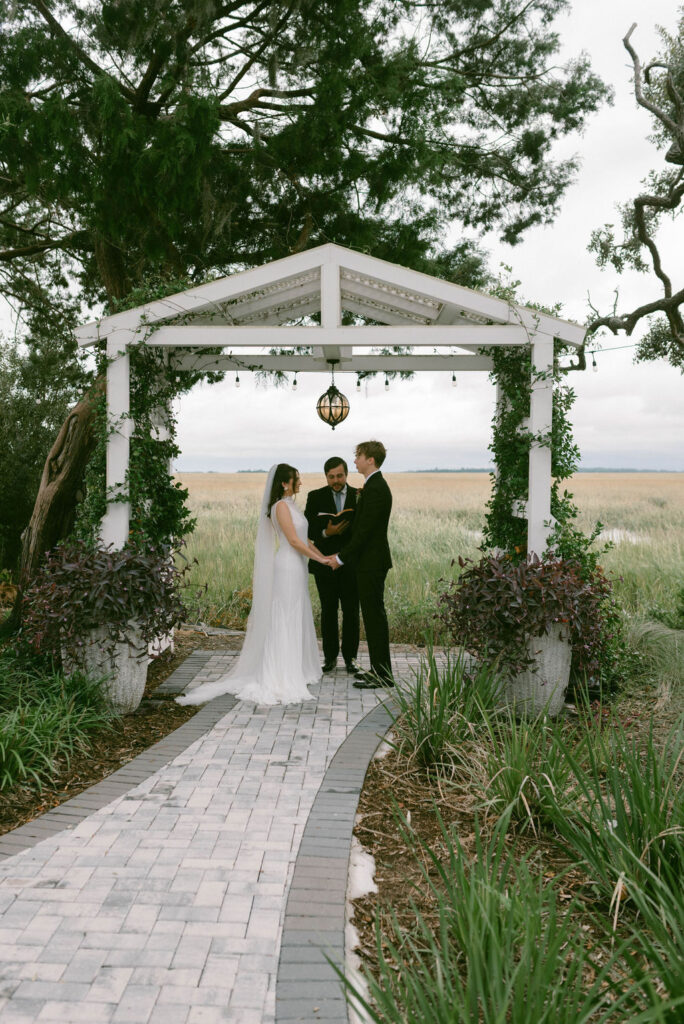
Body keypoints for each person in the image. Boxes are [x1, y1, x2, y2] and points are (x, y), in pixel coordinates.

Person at [176, 464, 330, 706]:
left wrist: (324, 556)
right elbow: (292, 540)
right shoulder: (280, 507)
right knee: (284, 615)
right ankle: (280, 673)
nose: (300, 482)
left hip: (298, 567)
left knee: (295, 613)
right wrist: (321, 560)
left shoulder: (293, 506)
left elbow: (306, 540)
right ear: (284, 483)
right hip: (288, 566)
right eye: (296, 479)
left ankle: (294, 667)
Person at [332, 440, 394, 689]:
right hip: (368, 562)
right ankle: (378, 669)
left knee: (374, 618)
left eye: (358, 456)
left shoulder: (377, 488)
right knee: (372, 617)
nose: (355, 460)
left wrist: (340, 557)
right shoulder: (371, 487)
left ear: (371, 459)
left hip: (372, 562)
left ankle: (383, 675)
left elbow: (365, 532)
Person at [304, 457, 361, 675]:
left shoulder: (359, 496)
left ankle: (351, 659)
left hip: (350, 564)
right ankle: (329, 659)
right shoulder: (315, 497)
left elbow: (362, 530)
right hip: (324, 563)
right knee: (328, 611)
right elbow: (307, 531)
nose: (336, 481)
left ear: (346, 475)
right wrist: (328, 532)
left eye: (339, 476)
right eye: (331, 477)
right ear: (326, 476)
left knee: (351, 611)